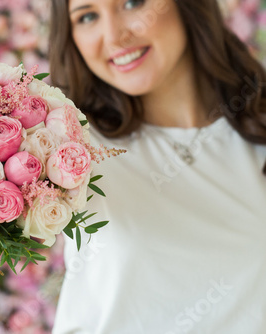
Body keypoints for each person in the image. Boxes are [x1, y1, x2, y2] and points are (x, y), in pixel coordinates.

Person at [49, 0, 266, 333]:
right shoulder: (67, 148)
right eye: (88, 16)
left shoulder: (256, 136)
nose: (114, 36)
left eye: (132, 3)